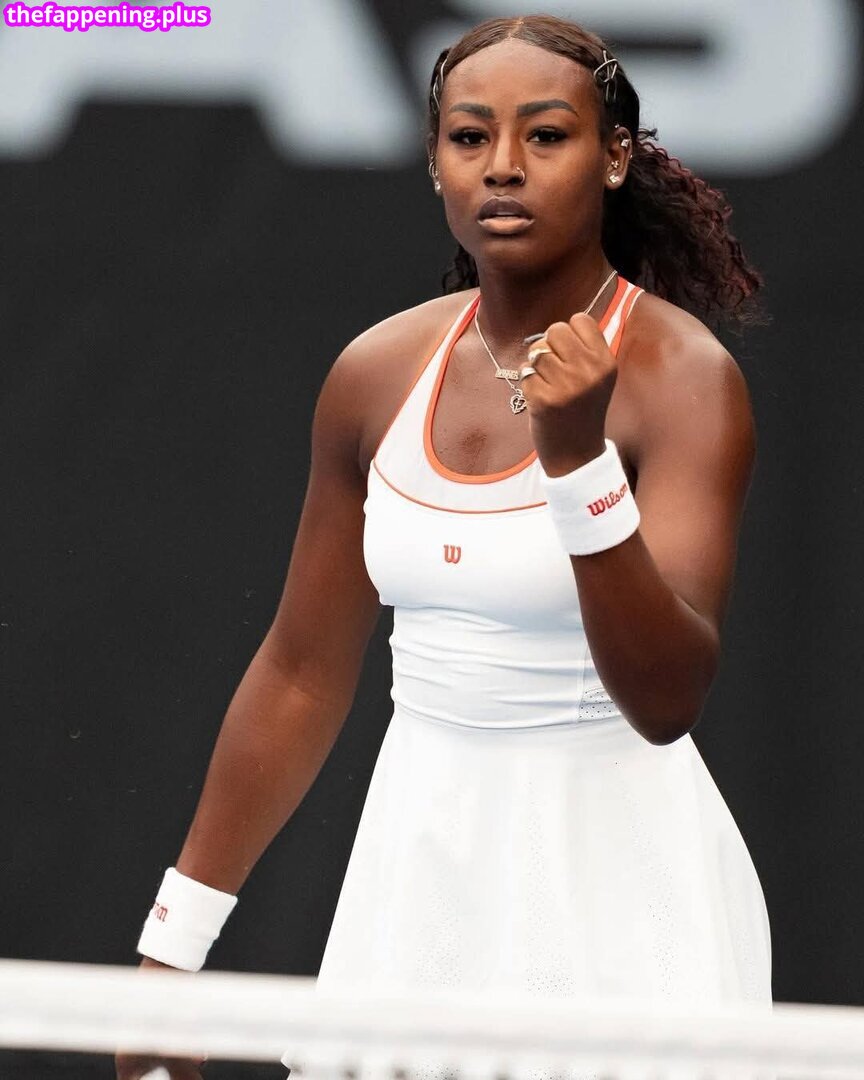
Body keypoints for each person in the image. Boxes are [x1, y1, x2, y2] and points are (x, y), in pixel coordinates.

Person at [117, 14, 771, 1080]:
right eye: (471, 137)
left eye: (546, 135)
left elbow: (665, 699)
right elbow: (299, 673)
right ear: (435, 163)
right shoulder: (374, 375)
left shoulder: (685, 380)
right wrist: (171, 950)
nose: (503, 166)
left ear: (614, 157)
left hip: (623, 903)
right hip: (415, 882)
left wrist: (577, 465)